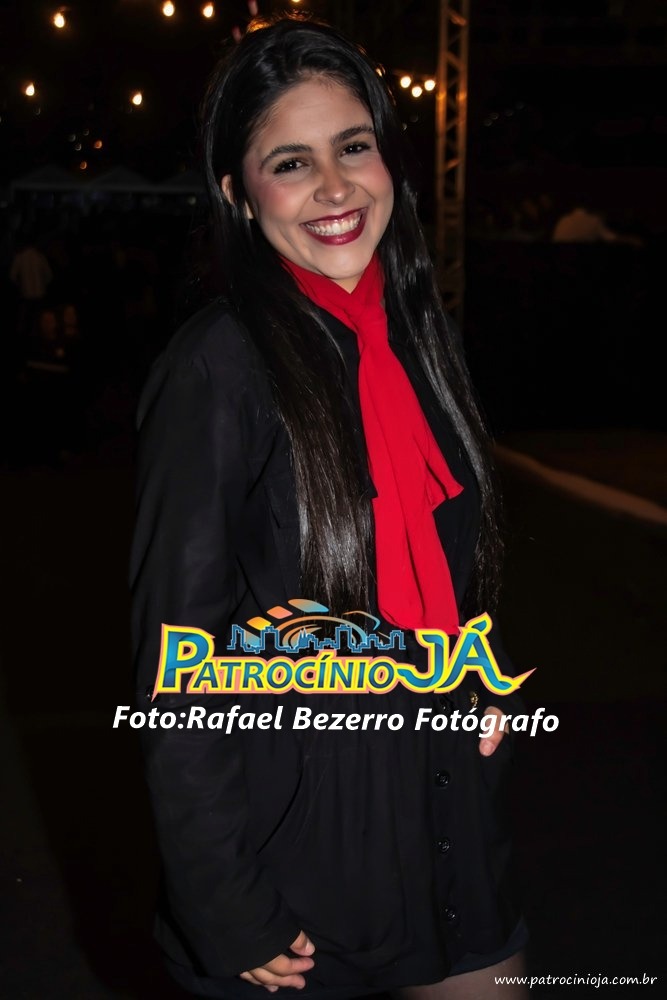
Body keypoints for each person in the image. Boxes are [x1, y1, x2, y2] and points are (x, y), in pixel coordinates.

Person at [130, 15, 530, 1000]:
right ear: (237, 192)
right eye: (290, 163)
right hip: (294, 846)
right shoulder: (219, 366)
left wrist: (472, 671)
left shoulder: (423, 339)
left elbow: (449, 559)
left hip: (444, 804)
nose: (334, 187)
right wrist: (222, 900)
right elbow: (175, 662)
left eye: (352, 147)